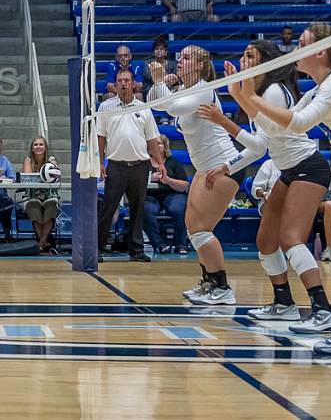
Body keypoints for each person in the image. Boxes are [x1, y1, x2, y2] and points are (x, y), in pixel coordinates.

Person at [201, 25, 331, 339]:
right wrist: (242, 95)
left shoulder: (277, 90)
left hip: (308, 167)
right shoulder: (315, 89)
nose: (243, 59)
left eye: (250, 55)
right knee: (265, 240)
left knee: (290, 238)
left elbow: (283, 132)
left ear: (320, 50)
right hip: (289, 169)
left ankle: (322, 309)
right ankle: (284, 302)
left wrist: (239, 104)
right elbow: (277, 134)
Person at [148, 45, 244, 294]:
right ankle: (209, 282)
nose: (180, 60)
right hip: (205, 167)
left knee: (201, 229)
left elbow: (172, 109)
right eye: (179, 57)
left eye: (186, 58)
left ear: (200, 65)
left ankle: (221, 287)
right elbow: (155, 103)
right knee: (194, 228)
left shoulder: (204, 90)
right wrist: (162, 84)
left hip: (223, 165)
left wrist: (160, 82)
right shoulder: (185, 90)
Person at [96, 69, 164, 262]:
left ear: (133, 84)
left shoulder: (144, 108)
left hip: (140, 167)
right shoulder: (106, 107)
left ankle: (136, 251)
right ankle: (97, 248)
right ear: (115, 85)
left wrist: (159, 162)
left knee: (138, 208)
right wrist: (100, 162)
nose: (124, 84)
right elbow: (100, 138)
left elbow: (152, 139)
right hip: (116, 166)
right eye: (120, 81)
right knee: (108, 208)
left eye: (127, 80)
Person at [142, 135, 190, 255]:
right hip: (150, 196)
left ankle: (180, 244)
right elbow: (133, 184)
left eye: (159, 143)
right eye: (153, 143)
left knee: (178, 208)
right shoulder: (143, 163)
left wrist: (168, 180)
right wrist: (149, 179)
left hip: (172, 194)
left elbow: (185, 185)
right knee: (145, 209)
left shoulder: (173, 162)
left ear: (165, 146)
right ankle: (159, 244)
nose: (156, 146)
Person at [21, 137, 61, 253]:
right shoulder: (28, 160)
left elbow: (56, 175)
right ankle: (44, 242)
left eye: (41, 144)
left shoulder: (51, 160)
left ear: (45, 147)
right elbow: (28, 179)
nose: (38, 147)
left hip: (49, 194)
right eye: (36, 145)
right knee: (34, 206)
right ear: (32, 148)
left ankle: (41, 243)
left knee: (51, 205)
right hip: (32, 195)